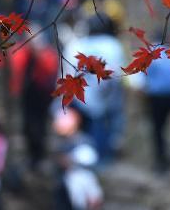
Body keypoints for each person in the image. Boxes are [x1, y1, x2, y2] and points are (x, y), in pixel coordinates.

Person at [63, 14, 126, 165]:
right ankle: (100, 160)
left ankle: (85, 160)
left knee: (83, 130)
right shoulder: (112, 45)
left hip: (81, 95)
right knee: (102, 129)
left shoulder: (76, 45)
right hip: (105, 95)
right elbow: (116, 74)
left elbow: (67, 72)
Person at [9, 30, 59, 169]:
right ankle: (32, 155)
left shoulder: (47, 54)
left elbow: (49, 71)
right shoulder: (21, 52)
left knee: (39, 126)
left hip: (42, 94)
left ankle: (38, 156)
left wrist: (38, 53)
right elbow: (14, 67)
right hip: (27, 93)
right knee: (27, 126)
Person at [143, 42, 170, 172]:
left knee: (158, 129)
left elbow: (145, 73)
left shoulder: (152, 53)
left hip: (157, 96)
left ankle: (161, 161)